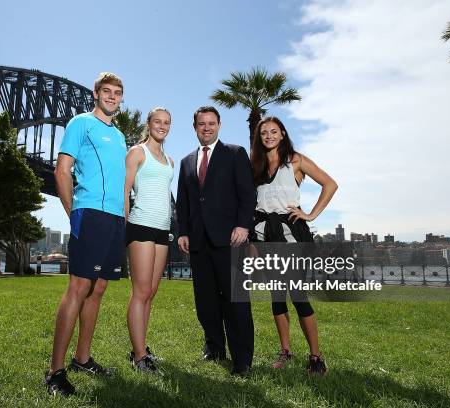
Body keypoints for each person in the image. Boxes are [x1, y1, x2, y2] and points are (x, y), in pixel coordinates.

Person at [45, 72, 126, 397]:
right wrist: (73, 213)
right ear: (96, 94)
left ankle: (82, 358)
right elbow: (62, 170)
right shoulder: (80, 123)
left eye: (117, 93)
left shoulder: (119, 136)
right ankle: (54, 371)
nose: (112, 97)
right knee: (78, 287)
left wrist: (124, 216)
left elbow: (122, 183)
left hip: (114, 219)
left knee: (99, 287)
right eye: (106, 91)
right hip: (89, 214)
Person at [249, 116, 337, 375]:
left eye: (273, 131)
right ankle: (285, 351)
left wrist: (310, 214)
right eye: (264, 132)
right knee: (277, 296)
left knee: (297, 295)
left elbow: (330, 184)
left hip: (290, 235)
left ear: (283, 134)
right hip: (264, 234)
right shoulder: (256, 164)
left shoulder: (296, 160)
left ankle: (316, 358)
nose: (268, 136)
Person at [176, 106, 256, 376]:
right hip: (198, 241)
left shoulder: (234, 154)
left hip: (231, 239)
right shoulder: (187, 161)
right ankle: (214, 348)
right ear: (195, 127)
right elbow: (184, 202)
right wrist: (183, 231)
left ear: (219, 125)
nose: (206, 128)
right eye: (201, 124)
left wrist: (244, 225)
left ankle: (242, 360)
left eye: (211, 123)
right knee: (206, 301)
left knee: (236, 301)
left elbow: (248, 194)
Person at [124, 107, 174, 375]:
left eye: (167, 123)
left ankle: (139, 348)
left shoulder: (170, 160)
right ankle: (141, 356)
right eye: (158, 122)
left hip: (162, 230)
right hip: (141, 226)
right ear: (149, 124)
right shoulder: (137, 152)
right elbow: (125, 191)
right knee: (140, 292)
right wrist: (125, 224)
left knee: (151, 293)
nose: (162, 126)